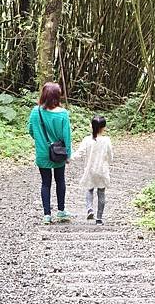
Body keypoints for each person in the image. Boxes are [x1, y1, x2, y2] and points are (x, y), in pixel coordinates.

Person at [28, 82, 73, 224]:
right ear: (56, 96)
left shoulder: (36, 111)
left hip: (42, 153)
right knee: (60, 180)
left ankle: (47, 215)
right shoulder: (63, 114)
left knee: (45, 183)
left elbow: (30, 130)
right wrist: (68, 154)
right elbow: (67, 136)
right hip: (58, 153)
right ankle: (61, 211)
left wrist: (41, 141)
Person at [72, 115, 113, 225]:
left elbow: (80, 153)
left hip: (90, 169)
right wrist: (108, 163)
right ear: (104, 127)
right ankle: (99, 218)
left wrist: (69, 157)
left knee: (89, 190)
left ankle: (89, 209)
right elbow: (110, 155)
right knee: (101, 193)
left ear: (92, 126)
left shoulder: (87, 140)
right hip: (102, 170)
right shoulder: (106, 140)